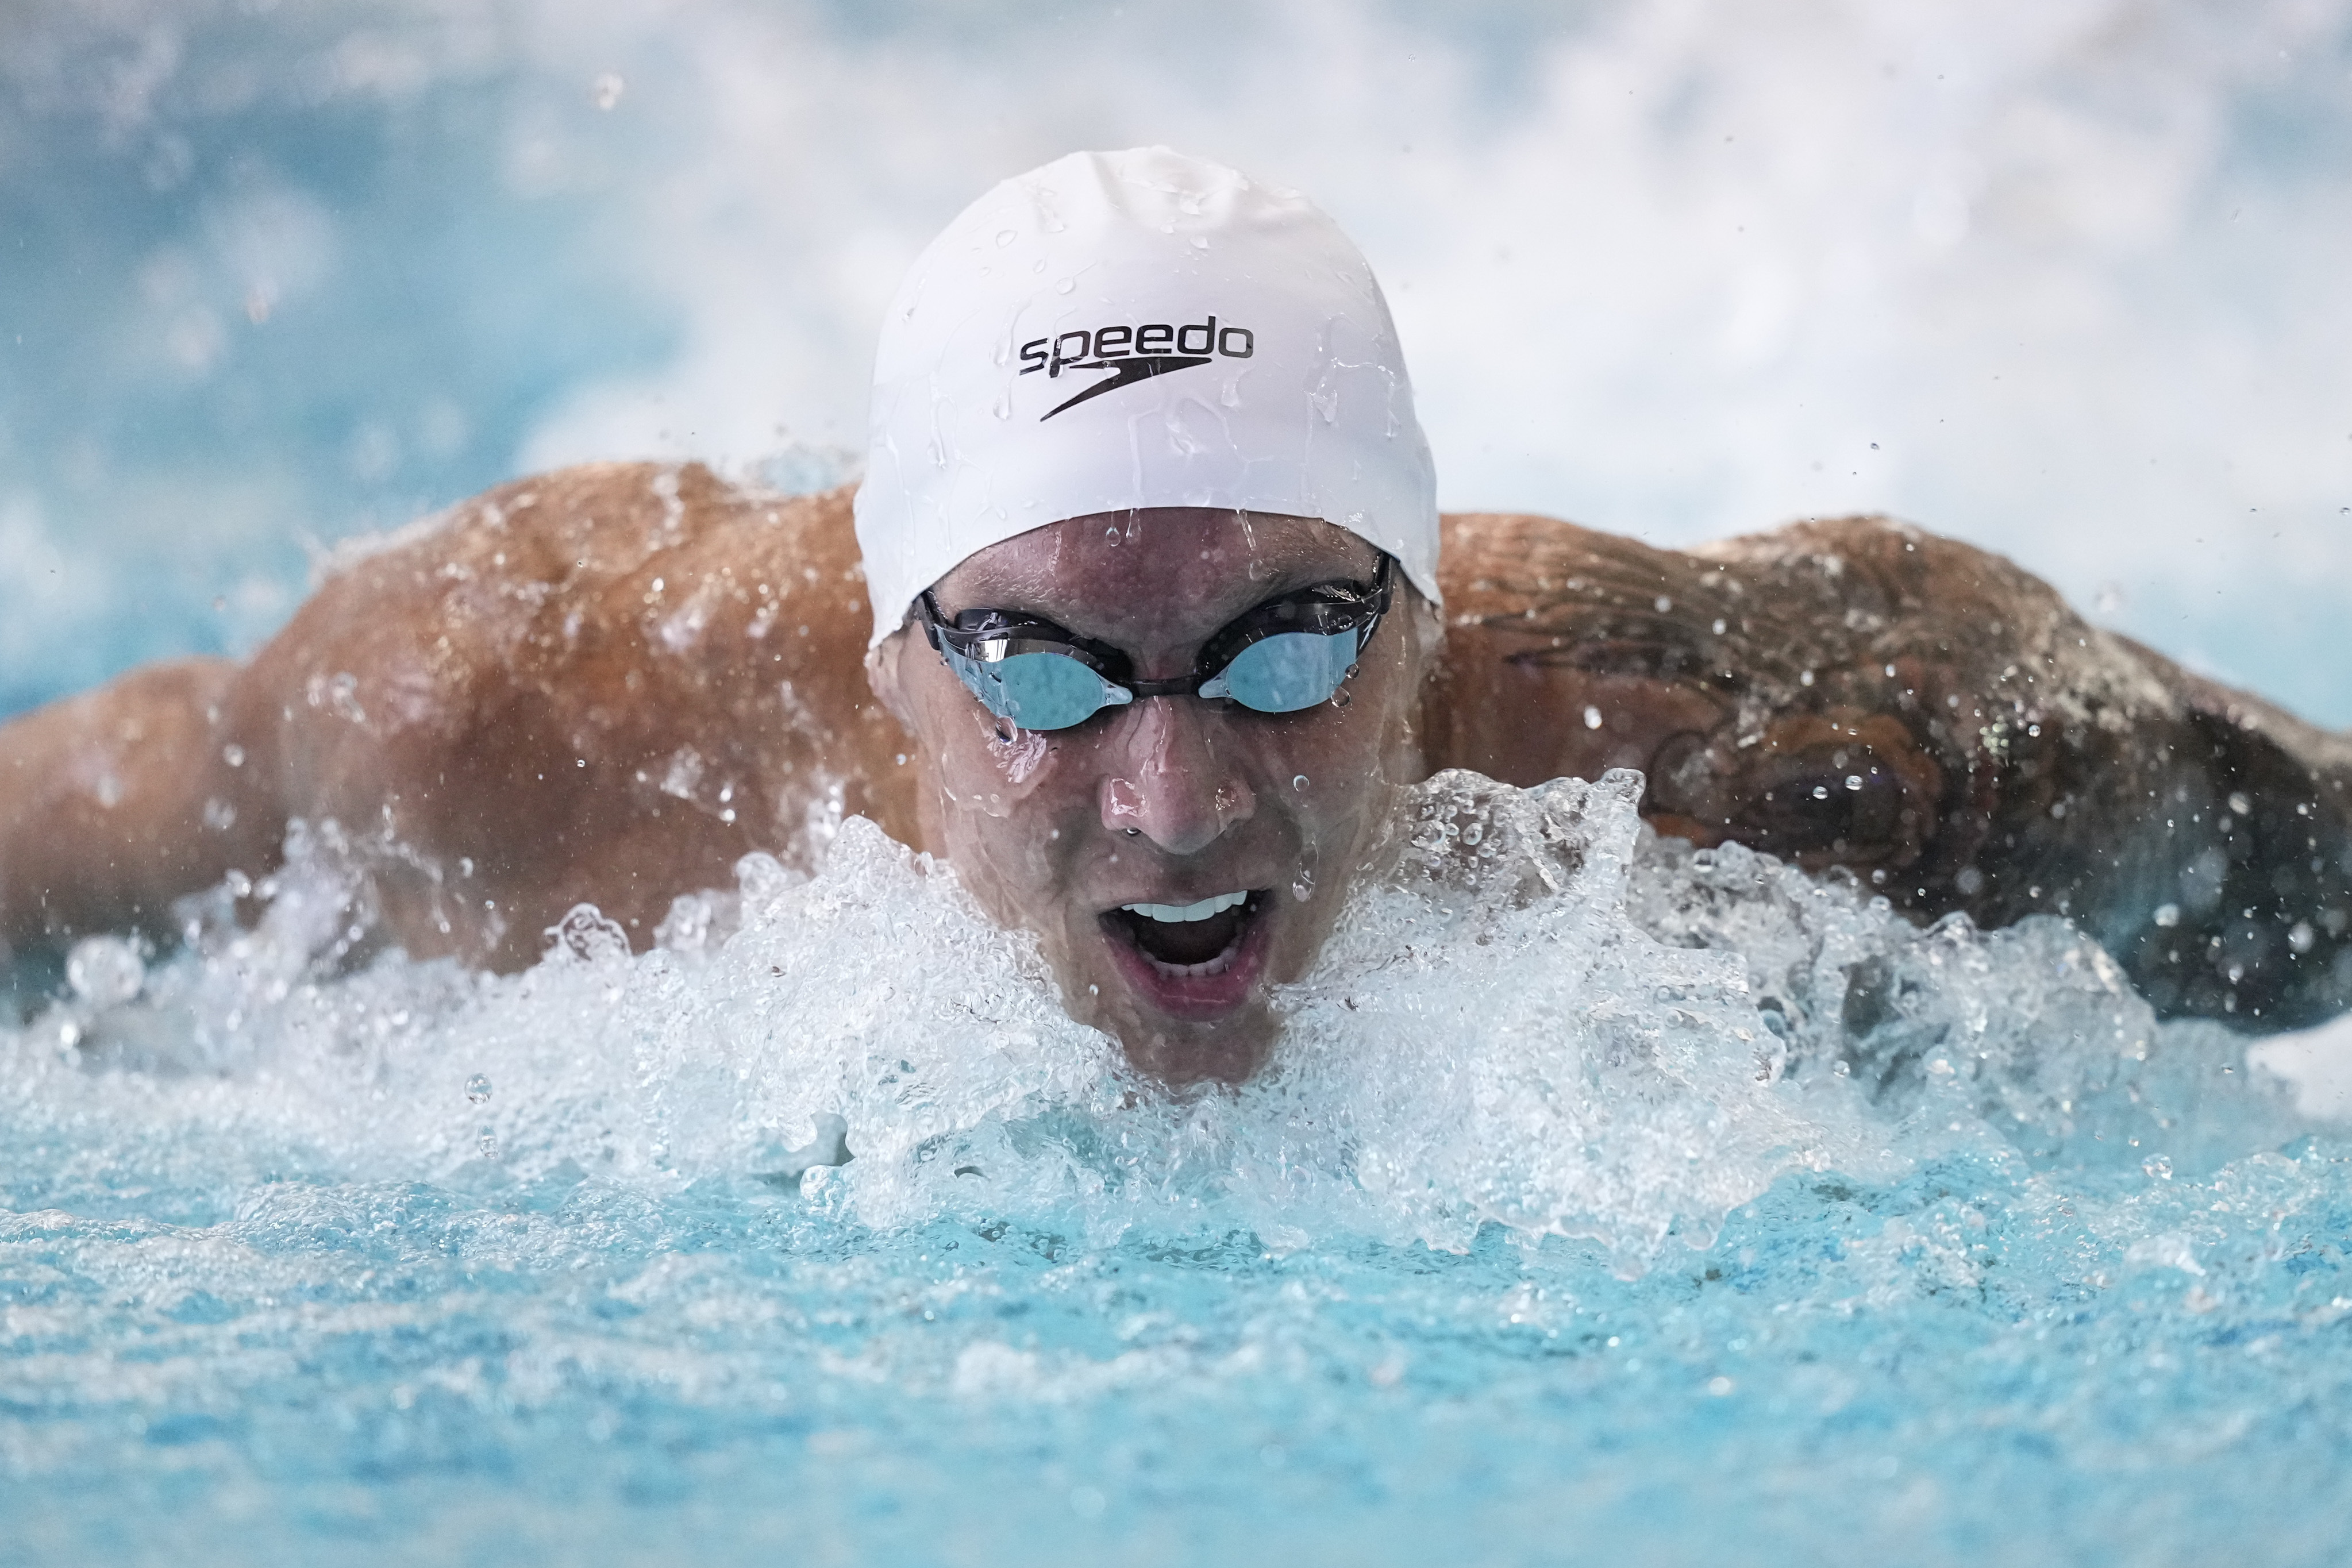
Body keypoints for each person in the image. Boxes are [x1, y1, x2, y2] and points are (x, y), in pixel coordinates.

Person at [3, 149, 2348, 1076]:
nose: (1173, 796)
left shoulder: (1796, 749)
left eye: (1289, 649)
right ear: (878, 649)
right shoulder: (492, 719)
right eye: (1031, 666)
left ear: (1433, 627)